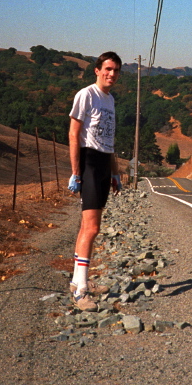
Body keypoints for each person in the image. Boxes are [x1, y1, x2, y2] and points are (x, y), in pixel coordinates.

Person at [67, 51, 123, 312]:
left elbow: (109, 141)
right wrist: (76, 172)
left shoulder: (110, 100)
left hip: (103, 163)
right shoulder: (86, 95)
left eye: (116, 71)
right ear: (97, 70)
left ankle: (78, 280)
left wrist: (115, 172)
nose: (112, 74)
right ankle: (81, 291)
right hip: (89, 162)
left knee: (86, 227)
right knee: (92, 228)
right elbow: (74, 133)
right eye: (108, 69)